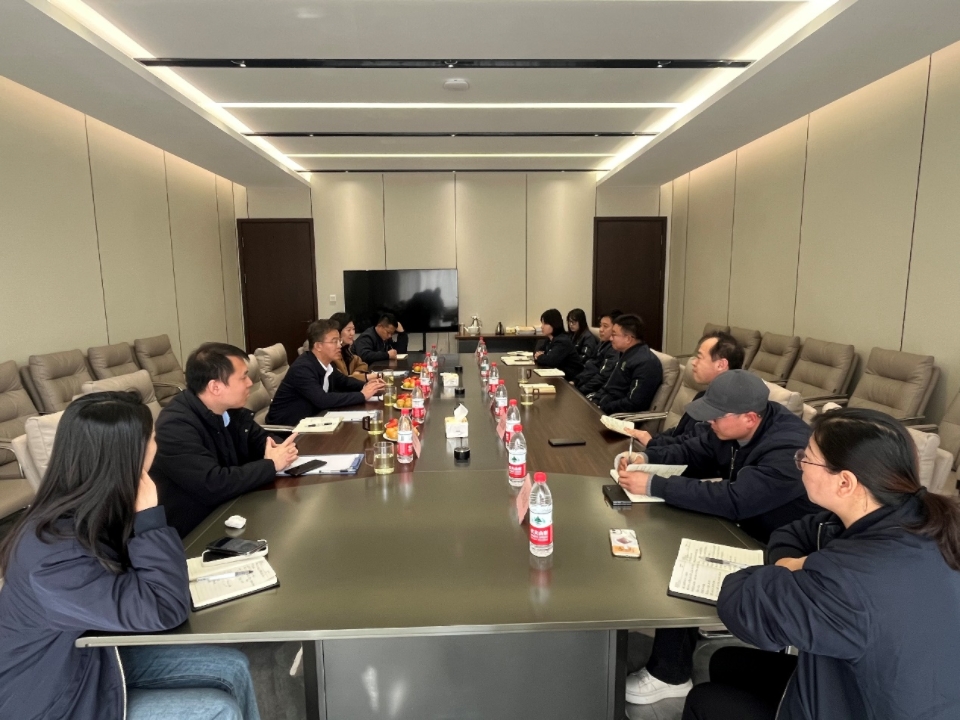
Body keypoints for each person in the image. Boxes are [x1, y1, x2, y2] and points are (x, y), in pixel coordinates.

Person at [685, 407, 960, 720]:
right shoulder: (912, 517)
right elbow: (793, 532)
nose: (800, 463)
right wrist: (795, 564)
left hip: (868, 707)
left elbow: (740, 604)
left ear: (845, 482)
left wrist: (796, 567)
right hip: (869, 683)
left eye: (808, 457)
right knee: (726, 662)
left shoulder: (849, 579)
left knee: (704, 700)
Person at [0, 392, 261, 720]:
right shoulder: (53, 556)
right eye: (152, 438)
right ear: (128, 455)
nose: (157, 445)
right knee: (218, 709)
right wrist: (148, 517)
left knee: (233, 667)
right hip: (54, 697)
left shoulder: (91, 507)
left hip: (93, 657)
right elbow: (165, 609)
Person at [616, 370, 818, 706]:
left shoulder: (789, 449)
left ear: (750, 418)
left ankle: (670, 674)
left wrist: (655, 485)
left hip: (779, 546)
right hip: (742, 524)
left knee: (683, 559)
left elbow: (736, 499)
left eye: (717, 417)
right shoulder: (732, 428)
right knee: (671, 529)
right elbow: (696, 450)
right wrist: (647, 459)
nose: (710, 422)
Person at [151, 342, 299, 537]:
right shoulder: (175, 426)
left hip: (234, 507)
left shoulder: (229, 410)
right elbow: (213, 484)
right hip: (196, 530)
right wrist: (271, 464)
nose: (250, 383)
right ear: (215, 387)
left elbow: (261, 439)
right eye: (243, 377)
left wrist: (279, 449)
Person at [628, 331, 744, 448]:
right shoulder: (703, 396)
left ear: (720, 365)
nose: (693, 362)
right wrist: (652, 438)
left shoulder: (726, 410)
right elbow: (679, 431)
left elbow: (692, 447)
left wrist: (652, 443)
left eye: (699, 357)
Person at [266, 319, 386, 426]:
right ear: (318, 346)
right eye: (334, 341)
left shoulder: (326, 364)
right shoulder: (302, 368)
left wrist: (369, 386)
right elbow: (322, 400)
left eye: (339, 341)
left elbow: (344, 382)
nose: (339, 345)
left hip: (313, 419)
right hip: (288, 428)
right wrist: (362, 395)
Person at [590, 314, 662, 414]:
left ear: (628, 339)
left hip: (616, 416)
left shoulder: (646, 363)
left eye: (614, 334)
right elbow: (610, 386)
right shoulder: (626, 353)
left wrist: (602, 407)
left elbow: (634, 403)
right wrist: (595, 400)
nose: (611, 339)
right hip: (603, 407)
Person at [574, 308, 620, 395]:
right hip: (584, 384)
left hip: (594, 391)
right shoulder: (602, 343)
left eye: (605, 326)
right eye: (600, 325)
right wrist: (575, 381)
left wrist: (580, 390)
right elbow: (590, 365)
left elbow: (602, 377)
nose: (601, 329)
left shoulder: (614, 349)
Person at [533, 308, 584, 380]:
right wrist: (540, 356)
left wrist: (540, 357)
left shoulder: (562, 341)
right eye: (542, 323)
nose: (542, 327)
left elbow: (551, 361)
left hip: (571, 380)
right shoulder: (550, 338)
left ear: (554, 324)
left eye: (545, 323)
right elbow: (537, 351)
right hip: (559, 375)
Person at [329, 312, 372, 381]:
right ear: (337, 331)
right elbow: (342, 380)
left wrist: (356, 373)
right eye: (348, 330)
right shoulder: (332, 355)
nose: (352, 333)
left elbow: (362, 364)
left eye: (353, 329)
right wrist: (366, 377)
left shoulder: (346, 349)